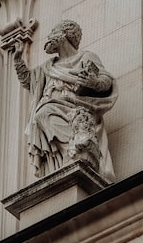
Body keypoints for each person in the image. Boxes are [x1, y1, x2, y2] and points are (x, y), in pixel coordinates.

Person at [12, 20, 118, 182]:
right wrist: (18, 59)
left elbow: (106, 80)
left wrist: (93, 83)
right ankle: (70, 153)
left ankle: (78, 150)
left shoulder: (86, 57)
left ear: (64, 35)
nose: (48, 36)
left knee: (44, 113)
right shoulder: (48, 66)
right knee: (43, 114)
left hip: (74, 106)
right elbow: (28, 81)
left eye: (53, 32)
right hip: (51, 107)